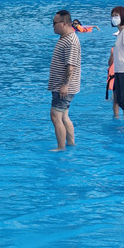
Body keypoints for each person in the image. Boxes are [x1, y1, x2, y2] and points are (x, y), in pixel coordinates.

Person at [48, 10, 81, 151]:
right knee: (64, 115)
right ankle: (71, 143)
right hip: (62, 86)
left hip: (64, 87)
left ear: (64, 23)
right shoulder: (65, 38)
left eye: (55, 23)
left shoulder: (71, 41)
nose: (53, 26)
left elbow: (71, 65)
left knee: (56, 116)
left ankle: (61, 147)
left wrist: (65, 85)